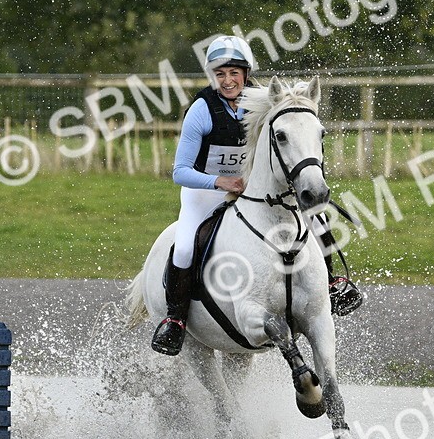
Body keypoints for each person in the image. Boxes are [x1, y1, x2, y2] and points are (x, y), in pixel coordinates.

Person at [151, 35, 362, 356]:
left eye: (234, 73)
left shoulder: (263, 99)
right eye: (220, 74)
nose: (228, 80)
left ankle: (331, 285)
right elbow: (179, 171)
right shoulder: (201, 111)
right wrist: (221, 182)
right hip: (204, 193)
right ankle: (176, 319)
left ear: (246, 73)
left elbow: (294, 109)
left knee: (315, 217)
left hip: (252, 191)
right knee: (183, 246)